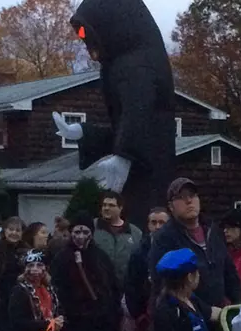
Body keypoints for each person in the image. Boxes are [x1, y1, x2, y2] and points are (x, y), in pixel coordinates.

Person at [62, 0, 176, 225]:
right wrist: (85, 132)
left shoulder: (137, 66)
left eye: (88, 33)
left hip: (149, 173)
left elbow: (138, 113)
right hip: (137, 171)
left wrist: (125, 155)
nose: (88, 44)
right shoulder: (119, 65)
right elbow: (123, 126)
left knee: (145, 219)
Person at [93, 191, 142, 286]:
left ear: (120, 208)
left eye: (111, 205)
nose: (106, 208)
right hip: (97, 286)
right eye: (104, 205)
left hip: (124, 287)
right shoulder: (92, 227)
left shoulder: (135, 232)